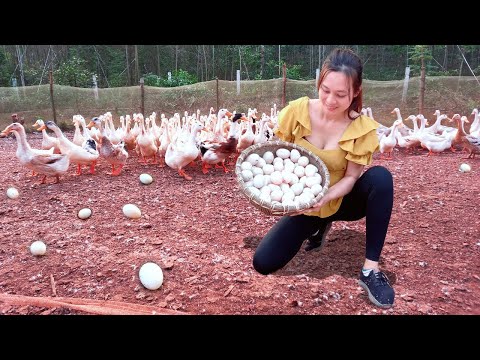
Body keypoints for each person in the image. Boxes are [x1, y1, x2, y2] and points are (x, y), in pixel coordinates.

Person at [252, 48, 395, 308]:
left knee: (381, 179)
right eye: (325, 90)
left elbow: (352, 177)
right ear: (319, 83)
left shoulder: (361, 129)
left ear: (356, 92)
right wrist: (288, 197)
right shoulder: (296, 112)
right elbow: (279, 161)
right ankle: (318, 225)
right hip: (305, 204)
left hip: (341, 199)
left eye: (341, 94)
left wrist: (324, 196)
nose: (331, 100)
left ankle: (370, 270)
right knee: (263, 263)